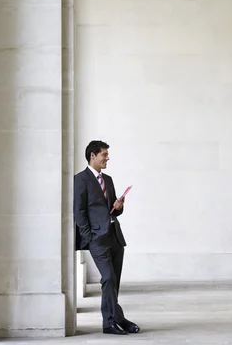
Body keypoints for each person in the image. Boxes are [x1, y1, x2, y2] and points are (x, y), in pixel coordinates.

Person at [74, 140, 140, 335]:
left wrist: (119, 207)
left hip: (114, 236)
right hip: (97, 238)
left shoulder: (108, 179)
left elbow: (111, 210)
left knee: (114, 280)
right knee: (108, 278)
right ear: (92, 155)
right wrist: (89, 237)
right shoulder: (81, 179)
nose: (107, 158)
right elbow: (79, 212)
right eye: (104, 154)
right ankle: (109, 322)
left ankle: (117, 318)